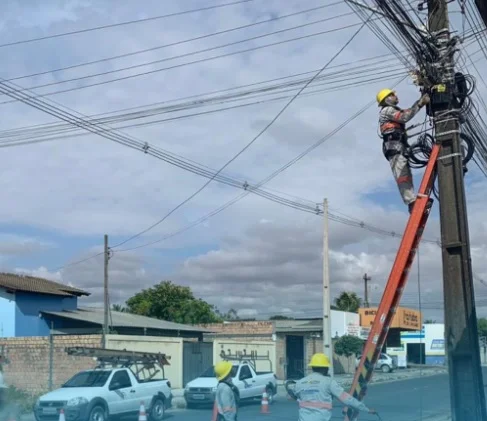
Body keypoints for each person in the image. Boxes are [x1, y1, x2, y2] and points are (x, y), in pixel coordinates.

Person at [377, 88, 432, 214]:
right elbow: (404, 116)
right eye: (392, 95)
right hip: (394, 148)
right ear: (386, 99)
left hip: (399, 147)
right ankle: (411, 202)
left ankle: (412, 201)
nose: (396, 96)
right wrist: (420, 103)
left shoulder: (390, 110)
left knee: (406, 174)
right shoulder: (387, 110)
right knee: (402, 176)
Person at [294, 353, 376, 421]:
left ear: (312, 367)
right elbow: (347, 399)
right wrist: (366, 409)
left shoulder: (300, 383)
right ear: (325, 368)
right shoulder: (328, 382)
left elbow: (293, 396)